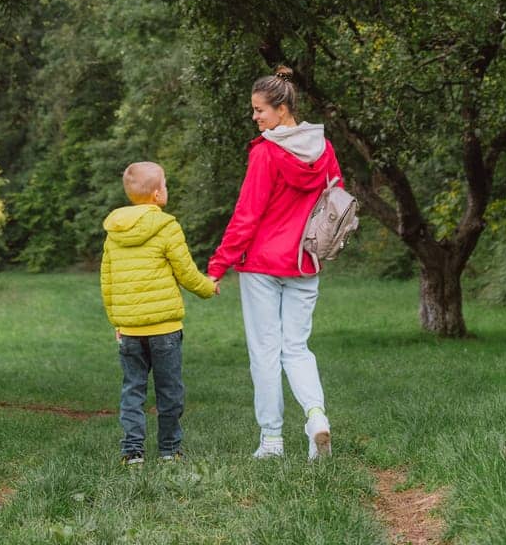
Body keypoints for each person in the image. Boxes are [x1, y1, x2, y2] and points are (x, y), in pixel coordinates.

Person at [208, 66, 342, 461]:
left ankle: (272, 440)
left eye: (259, 110)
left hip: (263, 264)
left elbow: (247, 215)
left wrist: (218, 265)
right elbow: (336, 202)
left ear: (282, 109)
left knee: (265, 352)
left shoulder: (266, 152)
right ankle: (316, 417)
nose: (255, 117)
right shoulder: (324, 149)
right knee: (297, 348)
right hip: (305, 262)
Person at [101, 160, 217, 465]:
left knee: (133, 390)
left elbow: (107, 282)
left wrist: (117, 321)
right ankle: (169, 450)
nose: (166, 190)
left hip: (129, 331)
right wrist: (208, 288)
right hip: (165, 328)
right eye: (164, 184)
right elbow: (186, 272)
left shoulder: (114, 231)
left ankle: (133, 452)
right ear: (156, 195)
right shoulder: (167, 226)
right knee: (170, 391)